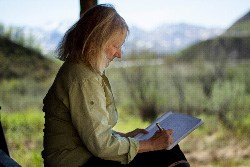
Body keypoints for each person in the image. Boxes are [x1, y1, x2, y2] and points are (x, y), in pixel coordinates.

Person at [42, 4, 190, 167]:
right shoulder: (84, 79)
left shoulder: (82, 69)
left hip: (82, 157)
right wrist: (151, 144)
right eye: (115, 46)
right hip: (77, 163)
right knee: (167, 152)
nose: (119, 54)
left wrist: (125, 137)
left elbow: (89, 130)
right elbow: (100, 145)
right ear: (95, 40)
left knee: (166, 150)